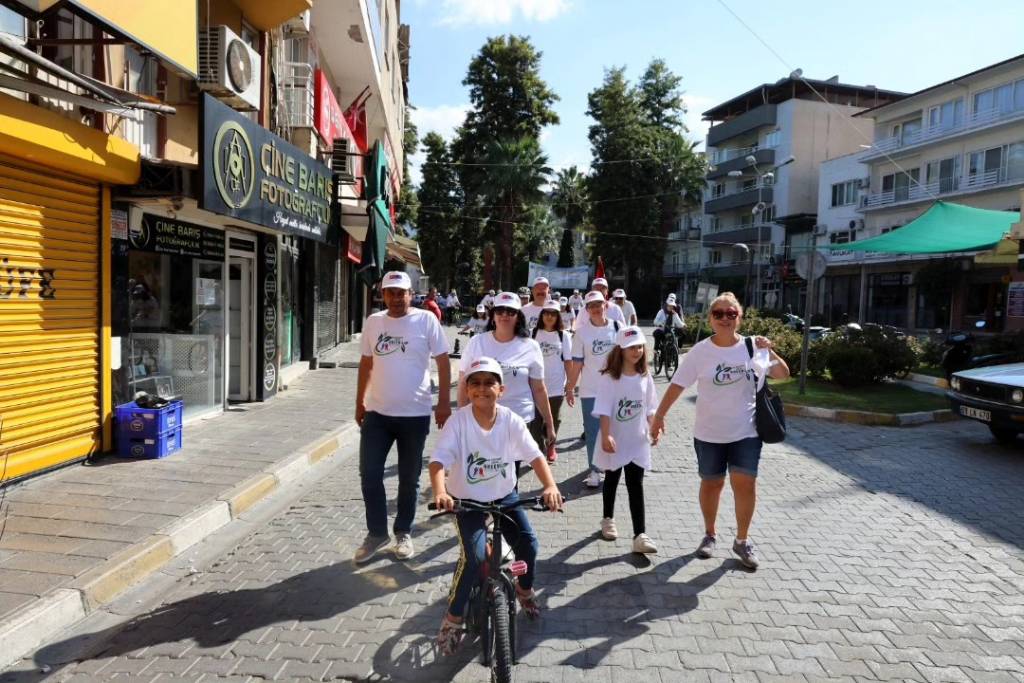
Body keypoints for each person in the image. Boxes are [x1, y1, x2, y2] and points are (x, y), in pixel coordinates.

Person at [430, 356, 564, 656]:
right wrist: (441, 492)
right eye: (474, 383)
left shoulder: (510, 420)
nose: (481, 389)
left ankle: (524, 589)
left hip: (504, 496)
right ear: (466, 389)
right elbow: (438, 461)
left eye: (488, 383)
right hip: (466, 501)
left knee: (529, 544)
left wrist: (550, 486)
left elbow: (535, 456)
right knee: (475, 558)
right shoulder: (458, 421)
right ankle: (452, 618)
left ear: (500, 389)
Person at [651, 292, 790, 569]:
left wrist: (769, 349)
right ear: (710, 318)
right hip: (709, 433)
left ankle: (742, 540)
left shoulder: (752, 346)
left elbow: (783, 374)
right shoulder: (700, 352)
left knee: (745, 483)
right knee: (712, 484)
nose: (725, 318)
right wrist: (658, 417)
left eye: (731, 314)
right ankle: (710, 534)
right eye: (719, 314)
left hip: (746, 431)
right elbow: (677, 385)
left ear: (739, 318)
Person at [354, 271, 451, 564]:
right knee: (370, 474)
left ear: (411, 294)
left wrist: (444, 402)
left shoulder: (426, 320)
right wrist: (359, 401)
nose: (396, 298)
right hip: (377, 415)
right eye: (390, 293)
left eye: (401, 293)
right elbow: (366, 363)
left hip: (415, 414)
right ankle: (376, 533)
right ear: (382, 295)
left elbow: (444, 361)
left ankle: (403, 532)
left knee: (409, 479)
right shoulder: (374, 322)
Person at [459, 291, 557, 470]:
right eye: (500, 310)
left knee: (510, 474)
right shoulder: (476, 342)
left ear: (518, 317)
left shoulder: (530, 346)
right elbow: (463, 384)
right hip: (481, 419)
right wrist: (460, 419)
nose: (504, 315)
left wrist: (549, 424)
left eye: (510, 311)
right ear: (493, 314)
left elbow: (539, 389)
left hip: (518, 420)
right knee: (483, 472)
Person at [593, 326, 659, 554]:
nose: (636, 351)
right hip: (615, 438)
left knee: (635, 484)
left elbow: (650, 406)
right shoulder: (610, 378)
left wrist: (655, 425)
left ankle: (640, 534)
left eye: (640, 346)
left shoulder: (645, 376)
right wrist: (606, 434)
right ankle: (607, 518)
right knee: (612, 478)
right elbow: (603, 409)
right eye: (631, 347)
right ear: (620, 349)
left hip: (637, 440)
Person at [565, 290, 621, 488]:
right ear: (586, 310)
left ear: (605, 305)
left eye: (599, 304)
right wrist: (570, 388)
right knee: (593, 432)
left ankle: (612, 467)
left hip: (616, 389)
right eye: (591, 306)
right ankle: (595, 470)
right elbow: (577, 364)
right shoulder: (581, 333)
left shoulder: (618, 327)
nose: (596, 309)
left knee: (616, 430)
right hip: (590, 390)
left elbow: (629, 359)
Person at [532, 301, 572, 463]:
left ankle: (551, 445)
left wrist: (570, 386)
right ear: (542, 315)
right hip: (534, 385)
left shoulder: (564, 336)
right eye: (546, 313)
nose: (549, 316)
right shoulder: (532, 333)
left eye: (553, 313)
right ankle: (539, 449)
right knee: (535, 421)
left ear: (558, 316)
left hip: (556, 386)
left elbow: (568, 362)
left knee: (554, 419)